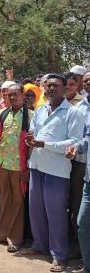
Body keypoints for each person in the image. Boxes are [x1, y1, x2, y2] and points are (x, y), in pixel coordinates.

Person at [22, 74, 85, 272]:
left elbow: (74, 141)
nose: (50, 89)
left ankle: (60, 255)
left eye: (55, 86)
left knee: (56, 213)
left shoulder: (73, 113)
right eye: (48, 86)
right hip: (37, 165)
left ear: (65, 89)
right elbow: (33, 131)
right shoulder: (40, 109)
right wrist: (30, 139)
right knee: (36, 210)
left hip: (57, 170)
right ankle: (40, 245)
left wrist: (44, 144)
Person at [0, 84, 32, 252]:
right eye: (9, 95)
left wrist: (29, 168)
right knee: (4, 199)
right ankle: (1, 234)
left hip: (19, 166)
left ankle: (15, 238)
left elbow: (33, 145)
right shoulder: (2, 112)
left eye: (15, 94)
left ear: (23, 95)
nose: (12, 97)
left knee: (17, 200)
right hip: (2, 163)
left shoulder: (31, 116)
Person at [66, 73, 90, 273]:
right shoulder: (81, 107)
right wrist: (75, 146)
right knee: (81, 220)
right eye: (87, 79)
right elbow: (87, 138)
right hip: (84, 171)